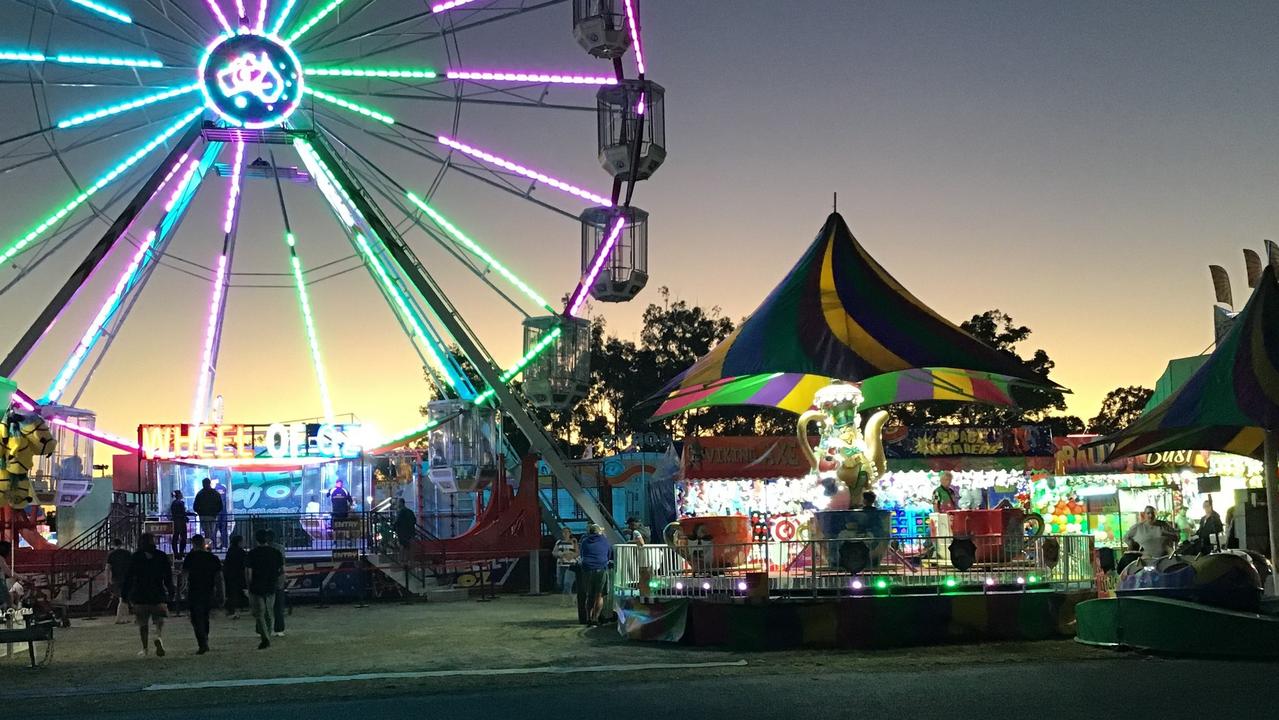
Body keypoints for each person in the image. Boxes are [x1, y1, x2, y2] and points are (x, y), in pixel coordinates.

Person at [122, 533, 173, 657]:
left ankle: (145, 649)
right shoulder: (161, 556)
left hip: (140, 595)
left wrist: (125, 595)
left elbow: (129, 577)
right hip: (158, 594)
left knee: (143, 624)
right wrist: (171, 591)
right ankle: (158, 637)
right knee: (158, 621)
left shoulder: (135, 557)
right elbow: (168, 576)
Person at [182, 534, 223, 654]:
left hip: (194, 590)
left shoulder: (190, 557)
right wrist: (221, 592)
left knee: (196, 618)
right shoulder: (212, 557)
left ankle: (202, 641)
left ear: (194, 544)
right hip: (209, 589)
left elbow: (185, 575)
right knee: (205, 616)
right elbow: (219, 577)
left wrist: (183, 588)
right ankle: (205, 638)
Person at [246, 529, 283, 649]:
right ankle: (268, 632)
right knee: (269, 611)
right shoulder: (276, 553)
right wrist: (280, 584)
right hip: (271, 584)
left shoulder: (252, 553)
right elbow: (281, 571)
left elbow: (248, 572)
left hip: (256, 585)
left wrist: (248, 585)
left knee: (259, 613)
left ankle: (265, 636)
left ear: (256, 539)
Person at [577, 524, 611, 626]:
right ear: (599, 532)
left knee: (589, 595)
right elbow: (609, 554)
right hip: (600, 568)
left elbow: (582, 555)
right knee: (599, 595)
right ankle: (595, 618)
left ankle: (588, 617)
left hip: (587, 569)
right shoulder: (604, 541)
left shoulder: (584, 541)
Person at [106, 537, 133, 624]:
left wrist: (107, 580)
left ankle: (124, 617)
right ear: (121, 544)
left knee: (122, 598)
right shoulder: (127, 553)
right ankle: (120, 618)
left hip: (116, 579)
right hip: (127, 578)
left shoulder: (111, 554)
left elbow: (107, 568)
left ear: (113, 545)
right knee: (124, 599)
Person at [266, 529, 287, 638]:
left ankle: (266, 628)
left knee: (266, 606)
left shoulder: (261, 550)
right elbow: (283, 565)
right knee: (278, 606)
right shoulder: (280, 549)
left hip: (266, 580)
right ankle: (279, 629)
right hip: (277, 579)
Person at [193, 478, 224, 548]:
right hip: (212, 516)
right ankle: (208, 547)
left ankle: (207, 547)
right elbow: (220, 505)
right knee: (211, 532)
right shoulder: (215, 493)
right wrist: (215, 512)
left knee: (207, 532)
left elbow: (195, 506)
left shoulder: (200, 493)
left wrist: (200, 513)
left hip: (203, 516)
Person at [223, 535, 248, 619]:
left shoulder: (230, 551)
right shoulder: (241, 552)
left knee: (231, 593)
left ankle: (231, 610)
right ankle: (234, 610)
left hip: (230, 574)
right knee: (236, 593)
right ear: (239, 542)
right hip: (238, 575)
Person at [552, 527, 579, 598]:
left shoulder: (573, 541)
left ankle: (567, 599)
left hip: (570, 565)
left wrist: (571, 556)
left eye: (567, 532)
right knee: (561, 583)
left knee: (567, 583)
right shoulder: (559, 542)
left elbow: (577, 553)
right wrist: (560, 555)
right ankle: (568, 598)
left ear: (570, 533)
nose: (566, 534)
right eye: (564, 532)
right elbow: (554, 552)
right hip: (561, 565)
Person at [394, 498, 417, 564]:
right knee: (409, 547)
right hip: (411, 532)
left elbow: (397, 522)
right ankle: (410, 561)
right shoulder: (410, 511)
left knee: (402, 546)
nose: (397, 504)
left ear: (401, 503)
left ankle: (402, 561)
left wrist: (394, 528)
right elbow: (414, 521)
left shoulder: (401, 512)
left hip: (402, 532)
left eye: (398, 502)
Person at [169, 490, 190, 556]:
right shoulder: (180, 503)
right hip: (181, 522)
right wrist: (186, 516)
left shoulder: (173, 503)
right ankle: (181, 552)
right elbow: (183, 513)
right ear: (179, 495)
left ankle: (176, 553)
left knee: (175, 537)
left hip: (175, 522)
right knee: (183, 538)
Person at [213, 479, 230, 550]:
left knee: (214, 530)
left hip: (216, 513)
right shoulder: (223, 488)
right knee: (223, 529)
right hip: (223, 512)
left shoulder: (213, 490)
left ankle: (213, 546)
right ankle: (224, 545)